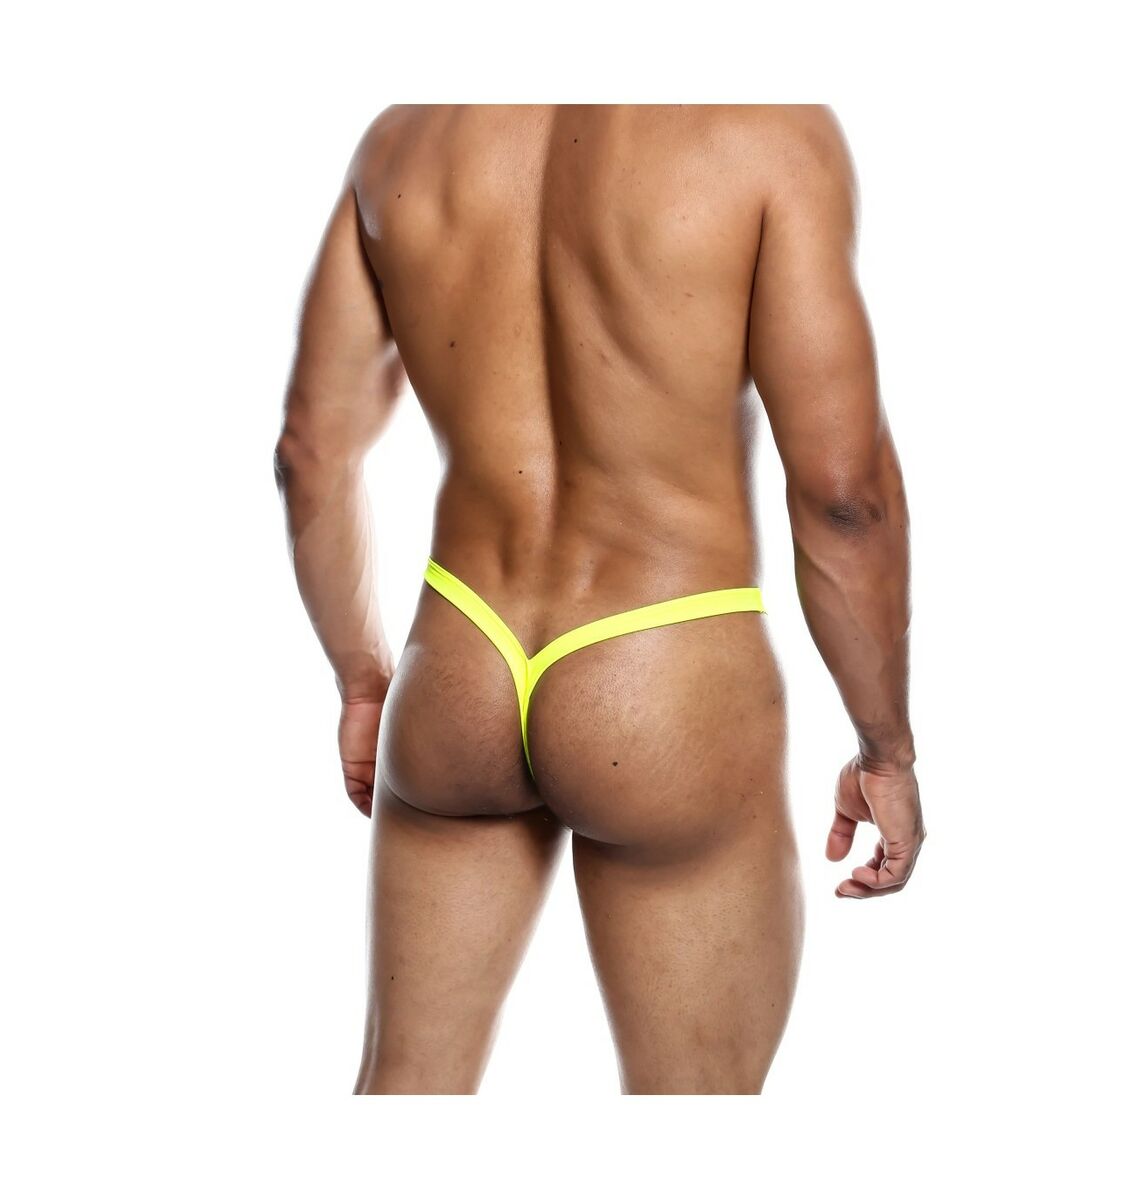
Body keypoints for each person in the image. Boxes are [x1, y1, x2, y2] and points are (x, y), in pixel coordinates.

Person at [274, 104, 924, 1095]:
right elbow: (846, 496)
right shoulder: (767, 130)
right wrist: (886, 749)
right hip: (665, 661)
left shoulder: (405, 137)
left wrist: (364, 684)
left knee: (404, 1090)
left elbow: (310, 454)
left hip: (459, 659)